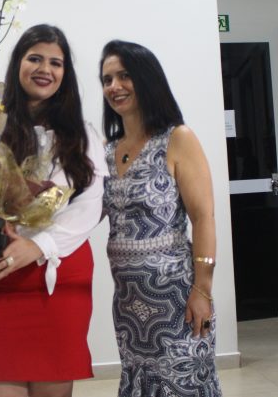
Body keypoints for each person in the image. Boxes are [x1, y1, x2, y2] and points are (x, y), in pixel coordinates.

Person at [0, 24, 106, 397]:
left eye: (55, 63)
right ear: (18, 63)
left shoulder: (82, 134)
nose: (45, 69)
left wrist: (37, 245)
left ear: (65, 74)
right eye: (35, 58)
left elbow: (88, 206)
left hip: (57, 279)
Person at [99, 40, 222, 396]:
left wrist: (202, 290)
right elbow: (83, 214)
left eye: (124, 76)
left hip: (177, 299)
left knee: (182, 385)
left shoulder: (177, 138)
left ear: (146, 78)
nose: (114, 86)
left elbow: (203, 217)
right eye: (107, 79)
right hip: (129, 305)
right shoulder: (107, 151)